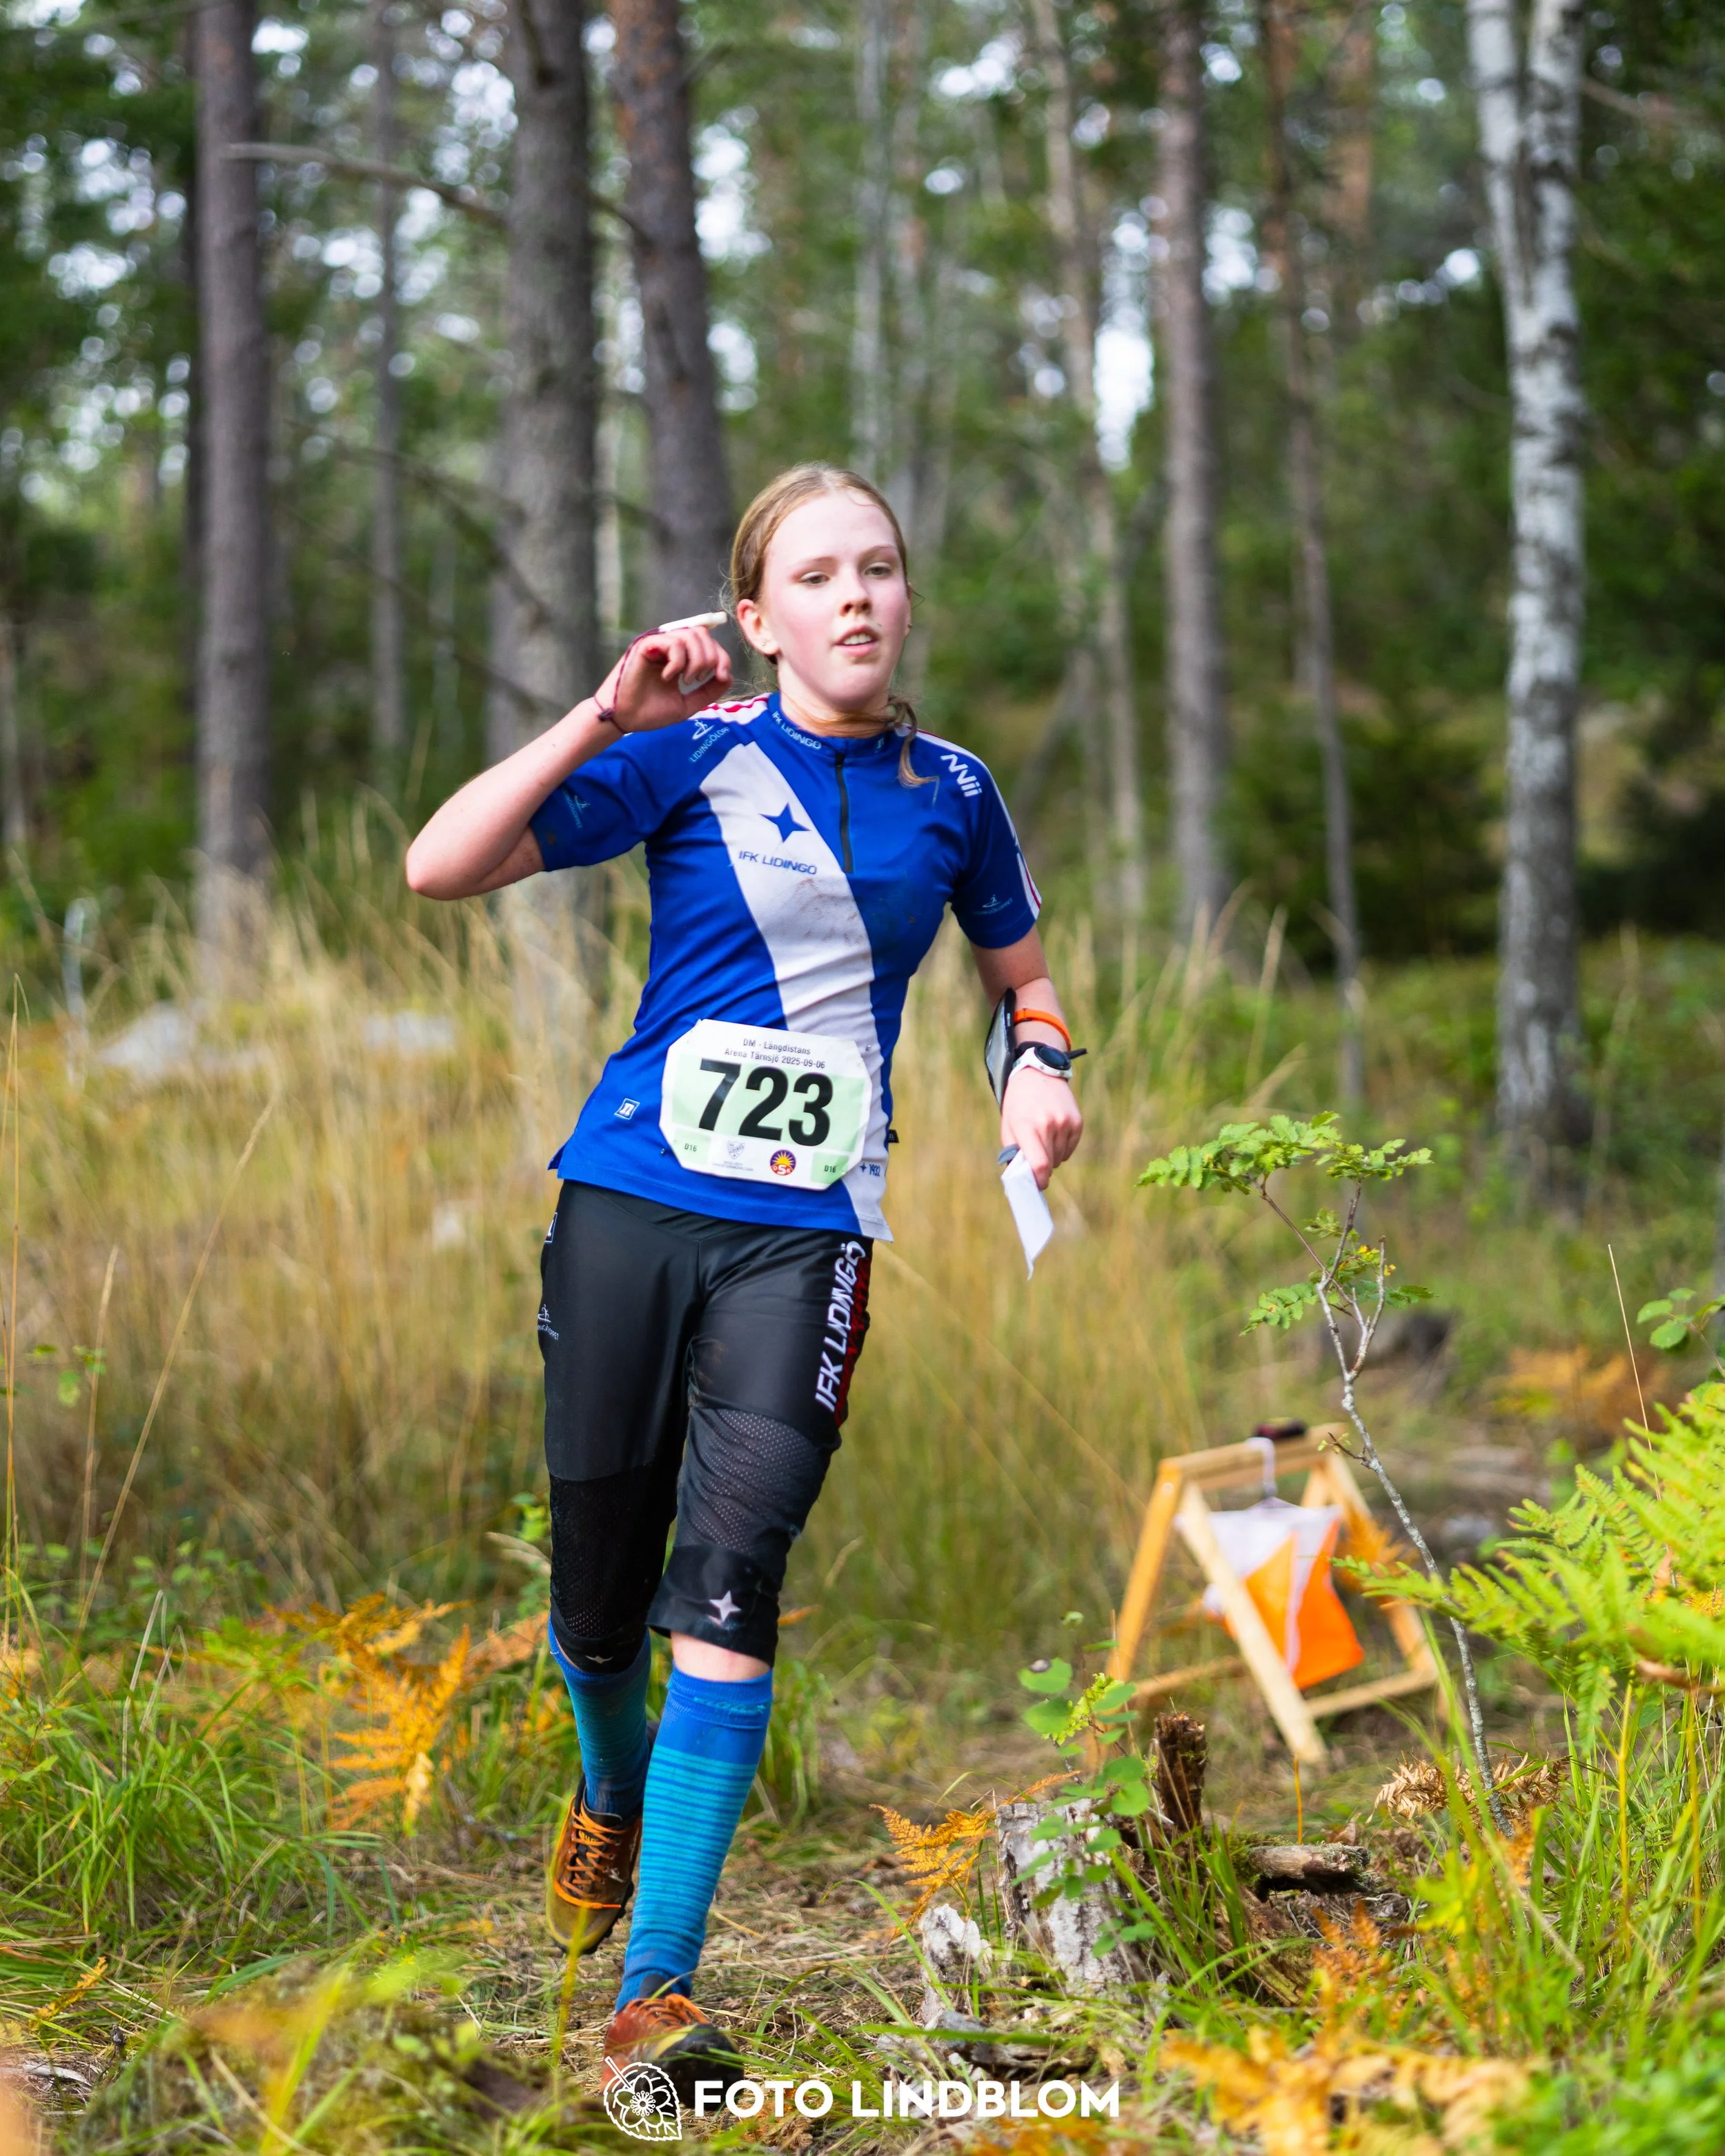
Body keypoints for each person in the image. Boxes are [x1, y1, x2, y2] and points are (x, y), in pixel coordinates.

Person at [405, 463, 1083, 2099]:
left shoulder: (957, 788)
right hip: (630, 1205)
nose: (856, 596)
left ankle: (655, 1986)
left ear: (903, 599)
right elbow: (441, 864)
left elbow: (1022, 974)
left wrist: (1037, 1067)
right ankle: (606, 1776)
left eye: (880, 568)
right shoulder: (692, 756)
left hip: (812, 1233)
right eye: (817, 576)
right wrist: (599, 714)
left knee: (729, 1573)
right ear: (758, 615)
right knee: (594, 1599)